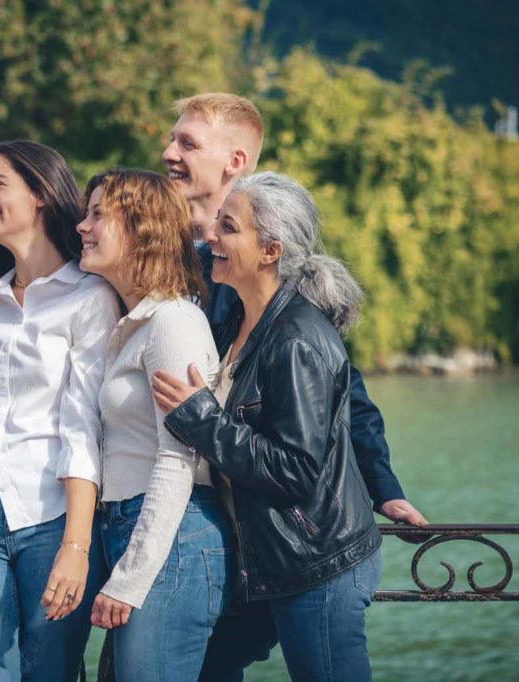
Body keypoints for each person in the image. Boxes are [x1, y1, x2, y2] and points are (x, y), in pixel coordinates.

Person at [159, 92, 427, 680]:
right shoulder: (161, 241)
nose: (168, 152)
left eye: (186, 143)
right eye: (171, 139)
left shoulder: (283, 299)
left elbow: (340, 399)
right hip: (230, 534)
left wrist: (381, 485)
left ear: (235, 160)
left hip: (298, 544)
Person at [0, 140, 119, 681]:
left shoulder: (91, 298)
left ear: (39, 194)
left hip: (52, 518)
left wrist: (76, 547)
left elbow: (84, 430)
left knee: (51, 674)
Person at [78, 168, 232, 682]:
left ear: (143, 229)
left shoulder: (173, 322)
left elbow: (178, 459)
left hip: (174, 537)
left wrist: (130, 577)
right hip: (135, 529)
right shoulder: (135, 322)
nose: (83, 226)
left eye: (99, 214)